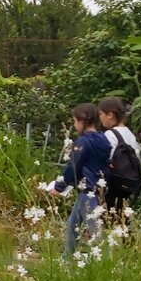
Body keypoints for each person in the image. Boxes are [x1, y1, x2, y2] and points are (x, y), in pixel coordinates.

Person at [48, 103, 111, 257]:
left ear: (82, 121)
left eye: (75, 121)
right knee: (72, 226)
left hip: (87, 190)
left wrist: (59, 186)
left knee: (96, 232)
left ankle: (106, 265)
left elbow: (73, 167)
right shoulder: (104, 139)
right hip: (99, 188)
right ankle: (66, 261)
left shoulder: (83, 141)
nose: (75, 125)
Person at [98, 97, 141, 214]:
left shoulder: (110, 134)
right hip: (128, 183)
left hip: (113, 183)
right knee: (121, 215)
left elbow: (103, 159)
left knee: (107, 217)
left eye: (101, 114)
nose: (100, 118)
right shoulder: (130, 134)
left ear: (110, 115)